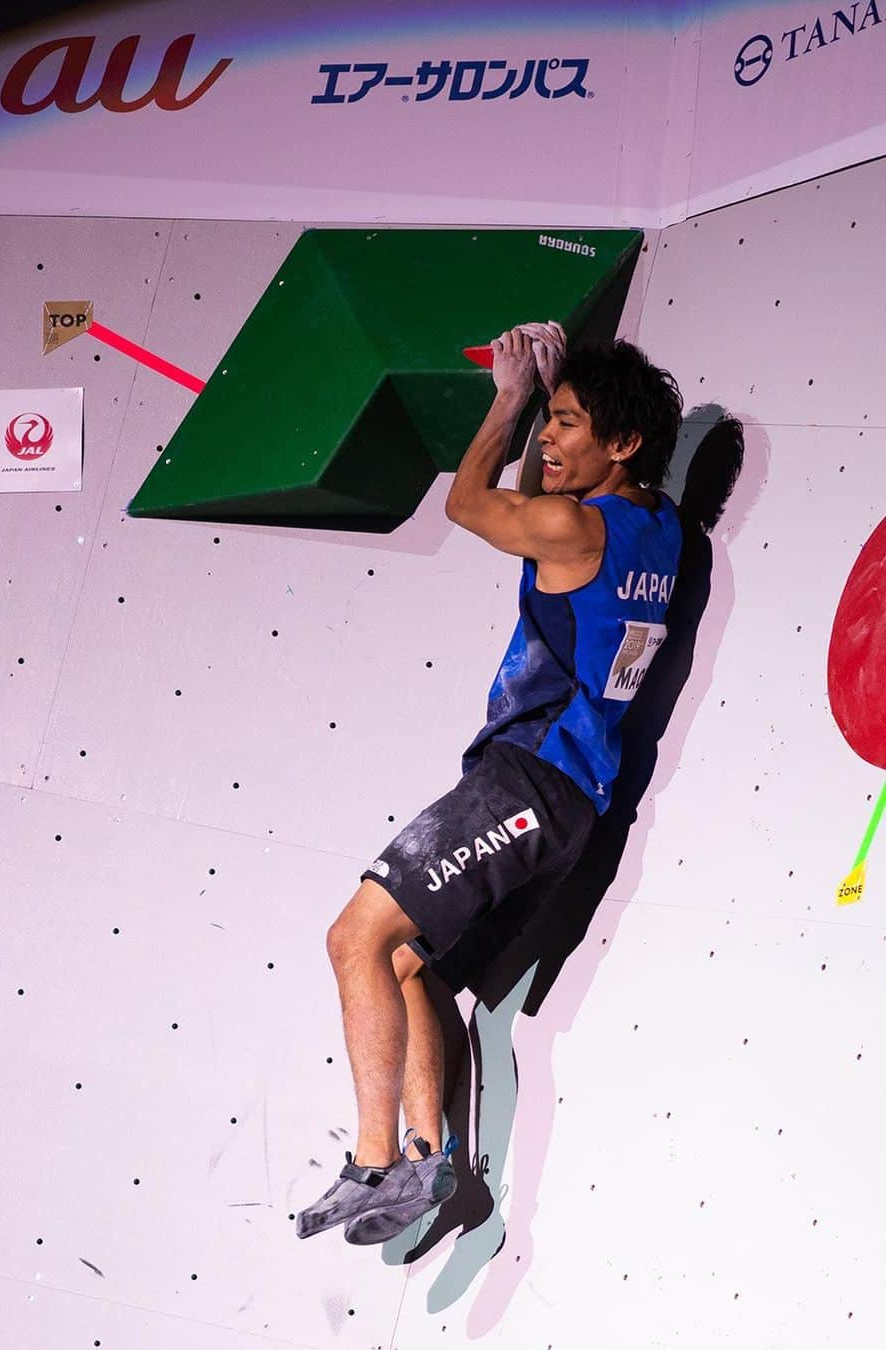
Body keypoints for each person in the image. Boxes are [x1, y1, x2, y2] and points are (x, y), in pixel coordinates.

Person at [296, 322, 685, 1246]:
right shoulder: (656, 529)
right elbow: (538, 526)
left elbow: (469, 505)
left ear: (622, 444)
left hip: (530, 777)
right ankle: (429, 1163)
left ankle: (372, 1160)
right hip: (569, 795)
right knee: (405, 963)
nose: (548, 442)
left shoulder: (574, 524)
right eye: (546, 422)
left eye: (566, 424)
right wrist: (547, 437)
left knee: (354, 936)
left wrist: (508, 396)